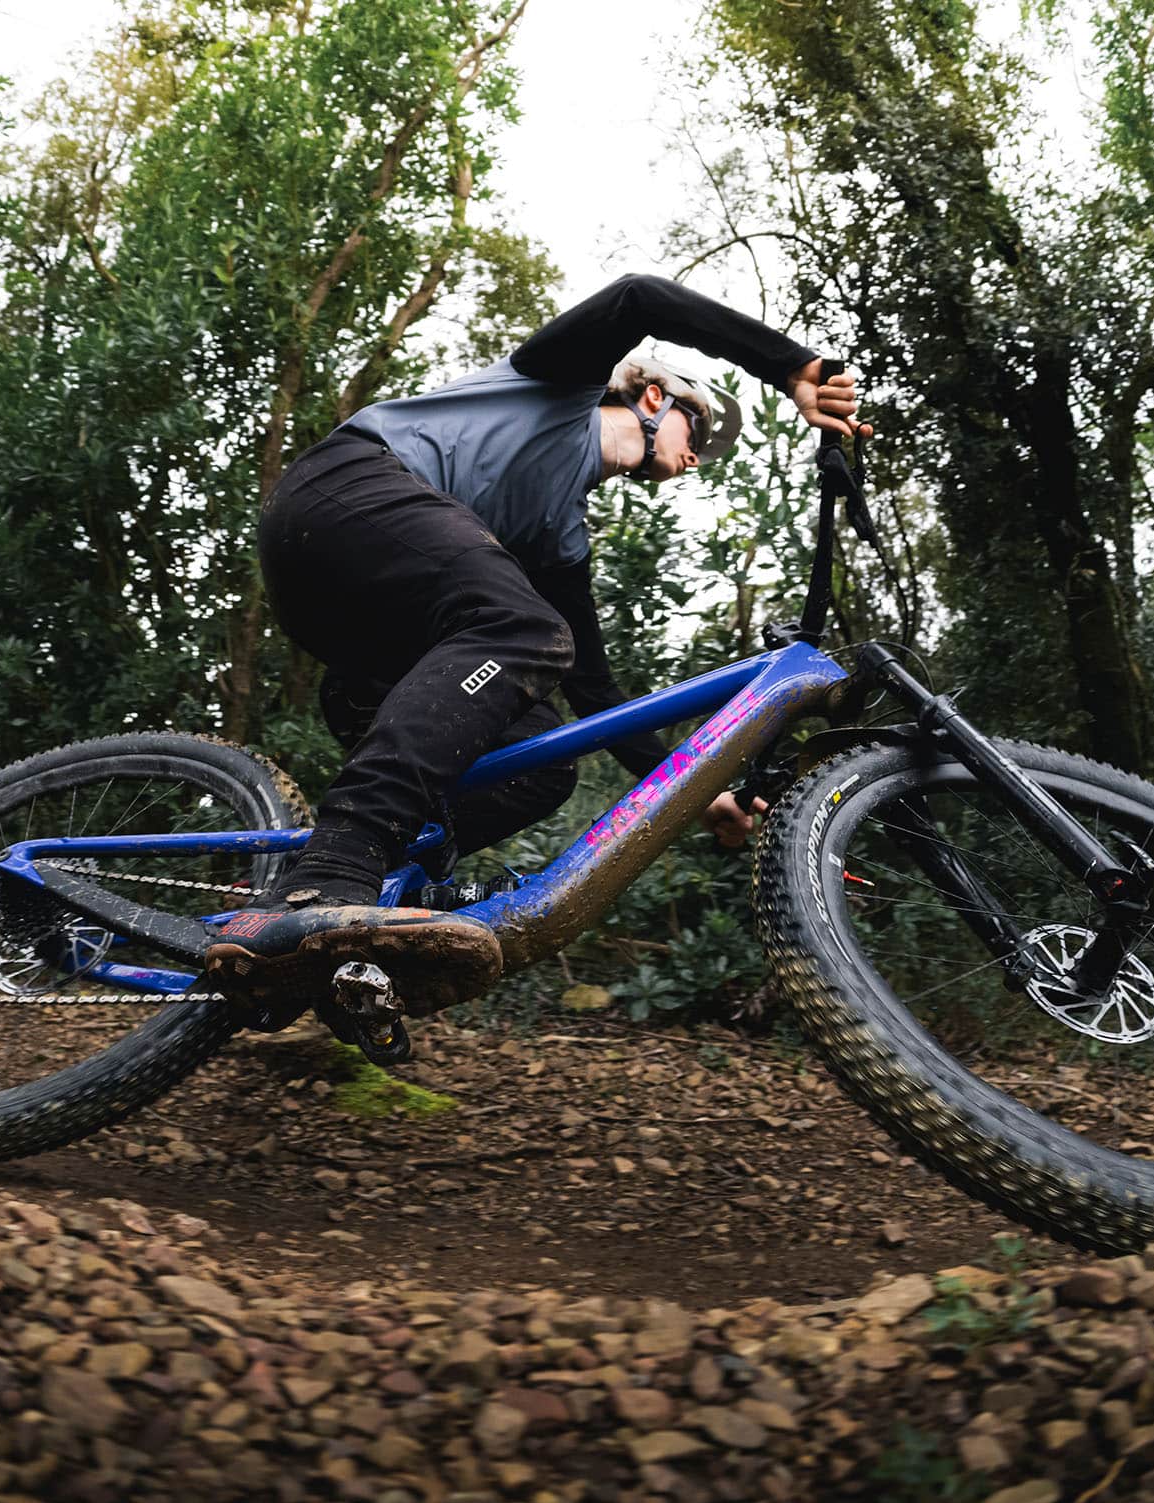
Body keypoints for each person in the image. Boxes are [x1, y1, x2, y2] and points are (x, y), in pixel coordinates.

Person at [204, 274, 869, 1008]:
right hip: (342, 493)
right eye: (698, 434)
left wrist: (701, 788)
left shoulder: (558, 537)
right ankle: (337, 863)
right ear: (654, 398)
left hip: (367, 637)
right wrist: (790, 366)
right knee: (525, 628)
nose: (695, 460)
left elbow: (597, 692)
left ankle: (359, 893)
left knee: (542, 762)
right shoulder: (560, 386)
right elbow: (638, 298)